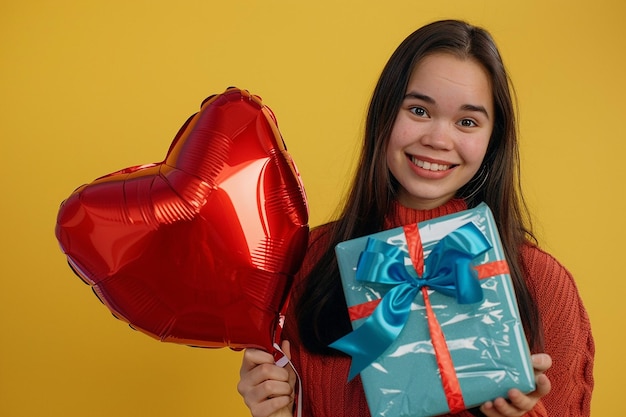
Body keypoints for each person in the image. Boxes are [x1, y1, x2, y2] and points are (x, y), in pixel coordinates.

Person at [237, 19, 594, 417]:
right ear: (384, 116)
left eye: (467, 121)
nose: (438, 140)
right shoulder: (310, 263)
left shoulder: (541, 282)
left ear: (493, 140)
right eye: (419, 110)